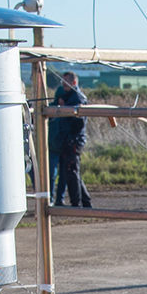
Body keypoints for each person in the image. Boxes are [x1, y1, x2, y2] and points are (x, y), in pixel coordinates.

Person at [51, 70, 91, 207]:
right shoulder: (68, 96)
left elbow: (78, 122)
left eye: (66, 82)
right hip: (67, 140)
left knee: (72, 173)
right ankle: (85, 202)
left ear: (74, 82)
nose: (63, 85)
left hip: (73, 141)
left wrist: (64, 108)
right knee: (71, 172)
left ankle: (77, 204)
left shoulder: (78, 98)